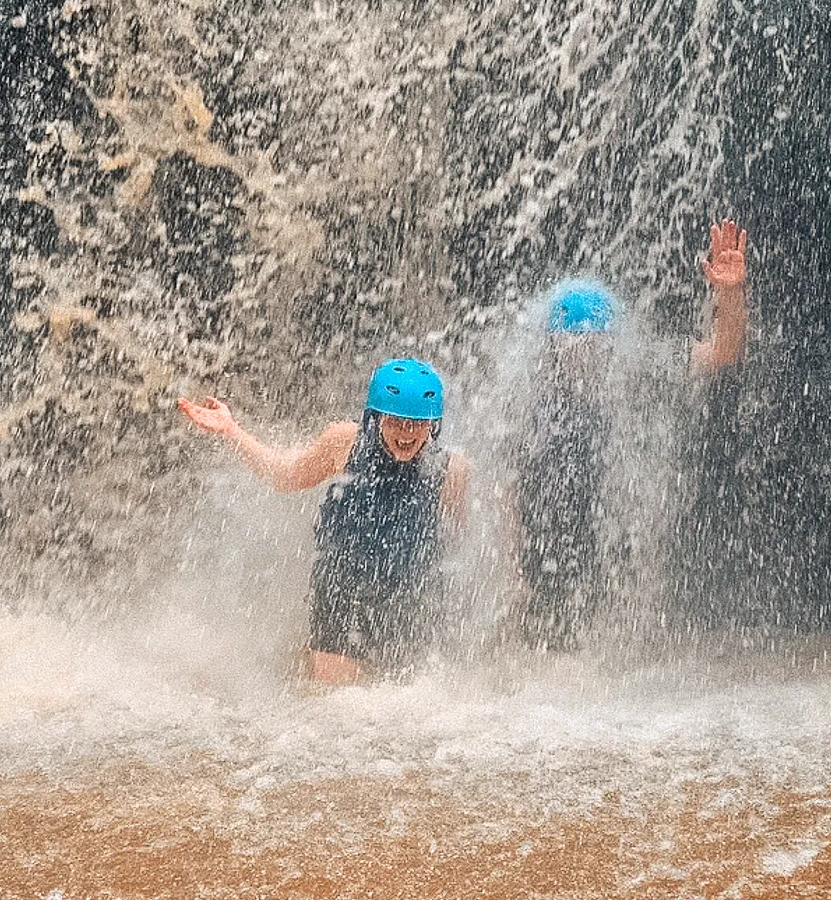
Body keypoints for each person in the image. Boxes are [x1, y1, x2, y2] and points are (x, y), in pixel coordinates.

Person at [513, 219, 749, 648]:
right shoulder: (529, 395)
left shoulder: (640, 370)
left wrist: (729, 293)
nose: (586, 354)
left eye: (597, 344)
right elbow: (507, 487)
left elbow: (722, 352)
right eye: (573, 343)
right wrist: (513, 579)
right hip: (548, 555)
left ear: (613, 343)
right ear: (553, 345)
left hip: (614, 548)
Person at [179, 357, 468, 685]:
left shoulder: (450, 471)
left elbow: (452, 545)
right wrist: (231, 432)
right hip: (342, 590)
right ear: (377, 417)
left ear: (433, 424)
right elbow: (284, 476)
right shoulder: (344, 442)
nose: (407, 432)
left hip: (410, 599)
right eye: (397, 421)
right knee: (335, 705)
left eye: (417, 423)